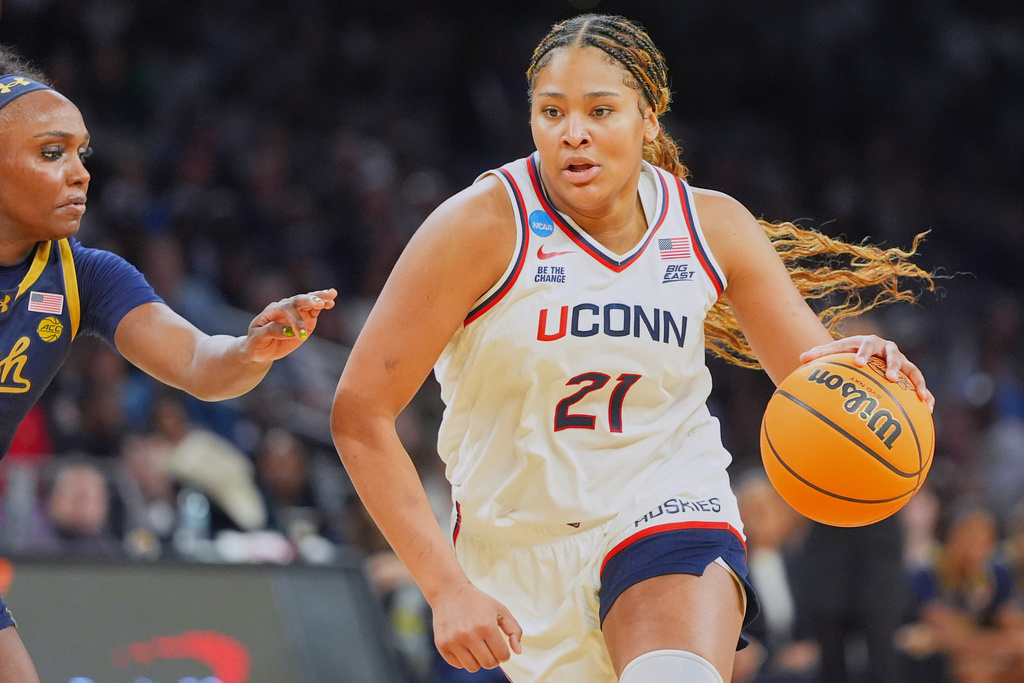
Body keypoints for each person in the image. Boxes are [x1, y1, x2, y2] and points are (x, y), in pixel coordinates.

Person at [331, 14, 935, 683]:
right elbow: (360, 412)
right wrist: (444, 587)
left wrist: (861, 368)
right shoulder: (479, 226)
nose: (574, 132)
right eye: (552, 112)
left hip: (669, 503)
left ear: (649, 119)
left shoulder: (710, 225)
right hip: (517, 550)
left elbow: (811, 375)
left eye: (600, 110)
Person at [0, 47, 336, 682]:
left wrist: (250, 348)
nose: (80, 174)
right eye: (50, 153)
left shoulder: (86, 277)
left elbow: (200, 364)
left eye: (81, 153)